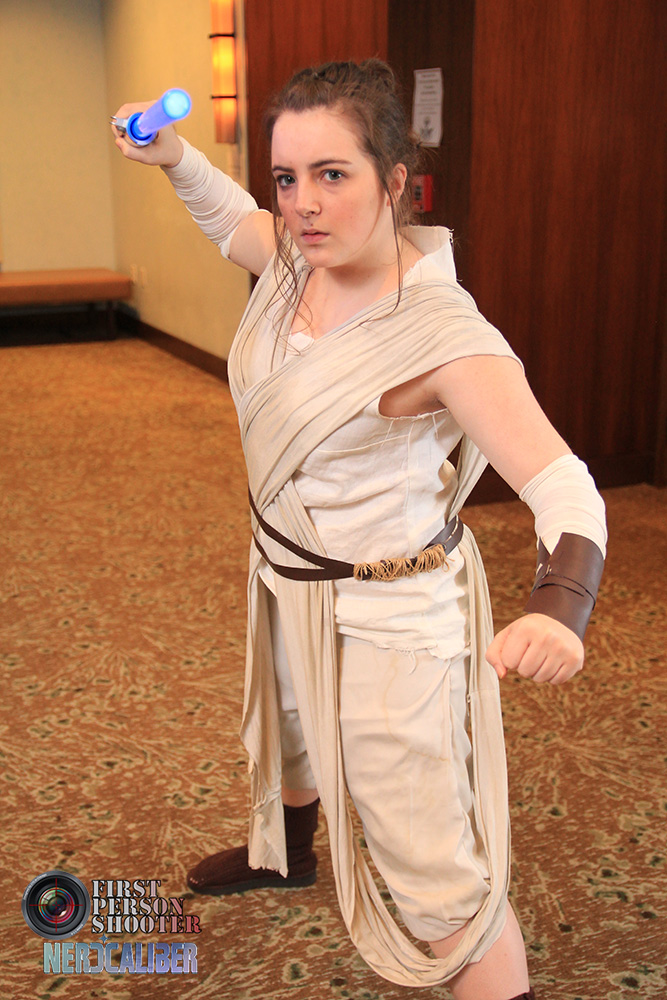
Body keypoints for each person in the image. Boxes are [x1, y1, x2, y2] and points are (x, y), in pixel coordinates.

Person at [112, 59, 606, 1000]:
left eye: (332, 174)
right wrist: (173, 155)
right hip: (289, 570)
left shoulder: (442, 335)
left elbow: (566, 487)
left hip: (391, 614)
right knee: (291, 725)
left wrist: (559, 607)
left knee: (433, 871)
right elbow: (231, 220)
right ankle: (288, 851)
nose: (302, 203)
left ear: (394, 180)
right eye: (287, 177)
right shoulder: (296, 257)